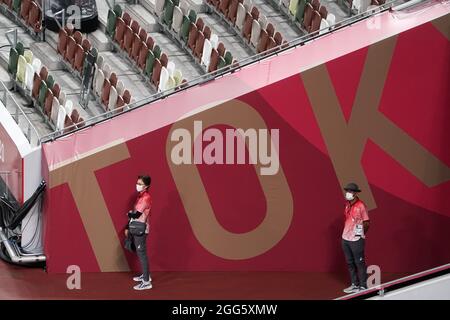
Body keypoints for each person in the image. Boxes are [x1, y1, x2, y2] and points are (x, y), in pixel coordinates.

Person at [125, 175, 153, 290]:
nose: (138, 185)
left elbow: (136, 214)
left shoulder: (146, 197)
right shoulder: (140, 197)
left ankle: (146, 282)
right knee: (140, 252)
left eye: (140, 183)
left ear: (146, 186)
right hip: (136, 227)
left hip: (141, 229)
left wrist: (128, 214)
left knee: (142, 254)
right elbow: (134, 213)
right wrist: (128, 225)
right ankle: (146, 276)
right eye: (137, 183)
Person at [341, 182, 370, 294]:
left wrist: (359, 235)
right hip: (345, 238)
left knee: (359, 263)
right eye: (347, 191)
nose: (348, 193)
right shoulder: (347, 204)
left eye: (350, 191)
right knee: (350, 263)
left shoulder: (361, 206)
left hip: (356, 240)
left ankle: (363, 286)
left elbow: (367, 222)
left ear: (355, 193)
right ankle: (354, 284)